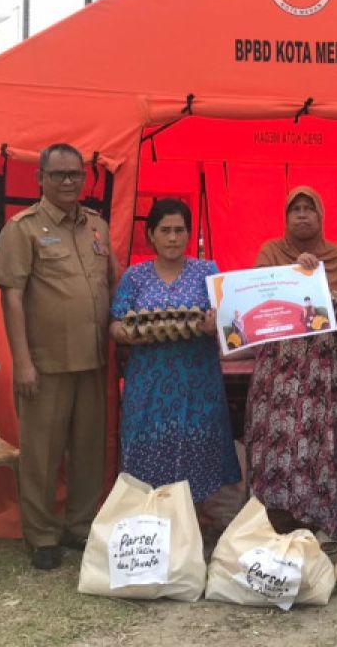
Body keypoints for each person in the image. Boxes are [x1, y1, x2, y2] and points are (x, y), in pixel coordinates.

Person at [0, 143, 119, 571]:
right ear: (40, 179)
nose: (68, 181)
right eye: (59, 174)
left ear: (85, 179)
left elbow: (110, 289)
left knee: (88, 451)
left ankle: (79, 526)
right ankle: (41, 534)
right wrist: (21, 361)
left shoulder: (97, 227)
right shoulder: (22, 229)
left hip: (93, 361)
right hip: (44, 365)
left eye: (75, 174)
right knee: (41, 455)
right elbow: (12, 297)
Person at [108, 198, 241, 502]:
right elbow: (114, 324)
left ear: (188, 234)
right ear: (150, 234)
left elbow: (231, 323)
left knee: (195, 445)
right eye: (165, 230)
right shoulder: (135, 277)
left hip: (198, 382)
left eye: (179, 230)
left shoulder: (208, 272)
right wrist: (131, 333)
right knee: (149, 446)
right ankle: (151, 517)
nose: (172, 237)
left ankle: (190, 517)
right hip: (149, 384)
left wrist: (213, 325)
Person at [246, 187, 337, 544]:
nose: (302, 214)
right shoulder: (271, 252)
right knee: (277, 443)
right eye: (295, 208)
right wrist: (297, 273)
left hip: (322, 374)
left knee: (321, 445)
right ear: (285, 217)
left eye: (310, 208)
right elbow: (259, 300)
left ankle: (321, 522)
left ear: (321, 216)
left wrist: (318, 279)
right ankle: (274, 519)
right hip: (279, 372)